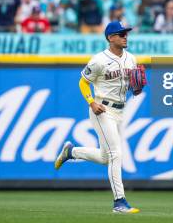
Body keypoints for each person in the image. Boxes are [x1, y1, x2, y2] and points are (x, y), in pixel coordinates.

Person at [54, 21, 140, 214]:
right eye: (121, 34)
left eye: (126, 33)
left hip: (120, 111)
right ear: (110, 38)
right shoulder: (99, 60)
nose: (126, 36)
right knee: (116, 154)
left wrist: (137, 88)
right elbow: (83, 82)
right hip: (102, 110)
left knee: (104, 157)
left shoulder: (131, 59)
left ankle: (71, 152)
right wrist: (91, 102)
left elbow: (132, 86)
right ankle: (119, 202)